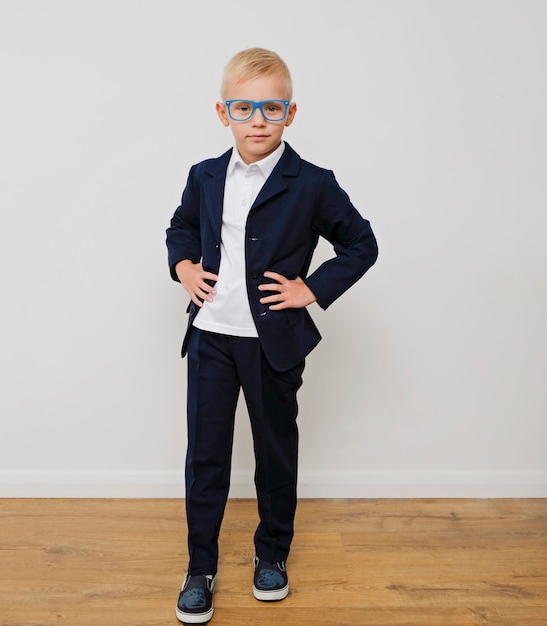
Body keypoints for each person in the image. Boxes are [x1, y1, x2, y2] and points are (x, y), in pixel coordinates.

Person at [166, 47, 377, 624]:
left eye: (271, 107)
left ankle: (271, 557)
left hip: (272, 342)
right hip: (211, 336)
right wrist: (183, 266)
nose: (257, 119)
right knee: (205, 456)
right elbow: (181, 228)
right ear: (222, 112)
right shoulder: (205, 176)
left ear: (290, 112)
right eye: (244, 107)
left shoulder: (311, 183)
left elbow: (362, 244)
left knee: (274, 452)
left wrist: (310, 289)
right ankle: (199, 568)